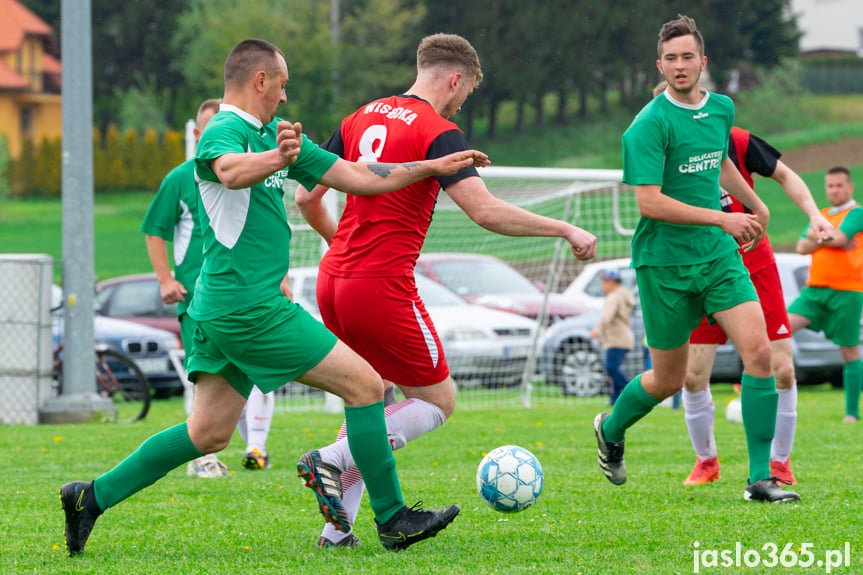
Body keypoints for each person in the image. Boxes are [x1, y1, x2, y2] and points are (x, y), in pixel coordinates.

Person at [59, 38, 491, 556]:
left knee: (209, 433)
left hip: (224, 307)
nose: (285, 98)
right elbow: (228, 171)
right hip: (249, 308)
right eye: (281, 85)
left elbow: (355, 176)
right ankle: (393, 516)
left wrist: (428, 168)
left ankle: (91, 496)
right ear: (259, 80)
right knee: (365, 385)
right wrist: (277, 156)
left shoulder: (276, 137)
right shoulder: (225, 127)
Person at [295, 33, 598, 548]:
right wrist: (565, 229)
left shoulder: (359, 116)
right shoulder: (440, 131)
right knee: (437, 400)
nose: (463, 103)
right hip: (382, 285)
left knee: (368, 396)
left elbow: (305, 197)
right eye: (467, 92)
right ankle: (334, 459)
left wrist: (342, 247)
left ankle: (336, 532)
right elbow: (485, 211)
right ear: (456, 79)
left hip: (333, 280)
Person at [593, 14, 801, 503]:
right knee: (670, 379)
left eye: (688, 56)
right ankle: (612, 428)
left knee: (759, 354)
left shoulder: (722, 109)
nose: (680, 65)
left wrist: (755, 204)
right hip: (664, 265)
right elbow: (650, 203)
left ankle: (759, 479)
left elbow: (721, 161)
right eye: (671, 58)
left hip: (717, 258)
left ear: (703, 62)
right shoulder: (647, 125)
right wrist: (721, 218)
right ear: (659, 64)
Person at [648, 81, 836, 487]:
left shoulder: (735, 139)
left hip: (753, 263)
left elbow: (786, 175)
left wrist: (815, 215)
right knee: (693, 377)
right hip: (701, 265)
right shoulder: (659, 150)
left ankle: (778, 463)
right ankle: (707, 461)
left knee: (782, 368)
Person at [141, 98, 276, 476]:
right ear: (199, 135)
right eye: (211, 129)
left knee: (254, 372)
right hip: (197, 296)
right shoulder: (180, 177)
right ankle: (202, 457)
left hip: (246, 293)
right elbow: (155, 230)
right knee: (202, 375)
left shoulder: (251, 173)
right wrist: (166, 279)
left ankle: (256, 446)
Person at [789, 166, 863, 424]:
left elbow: (841, 237)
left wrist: (821, 237)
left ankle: (851, 413)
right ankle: (778, 390)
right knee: (778, 330)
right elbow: (800, 247)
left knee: (849, 351)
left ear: (850, 187)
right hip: (814, 290)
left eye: (839, 185)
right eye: (830, 186)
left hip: (847, 291)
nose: (834, 190)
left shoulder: (857, 212)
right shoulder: (819, 214)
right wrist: (828, 237)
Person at [589, 268, 635, 406]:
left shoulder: (613, 296)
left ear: (611, 282)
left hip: (617, 339)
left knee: (611, 368)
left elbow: (607, 316)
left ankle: (631, 391)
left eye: (603, 284)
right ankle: (614, 400)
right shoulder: (624, 295)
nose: (602, 288)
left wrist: (597, 330)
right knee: (613, 370)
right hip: (623, 337)